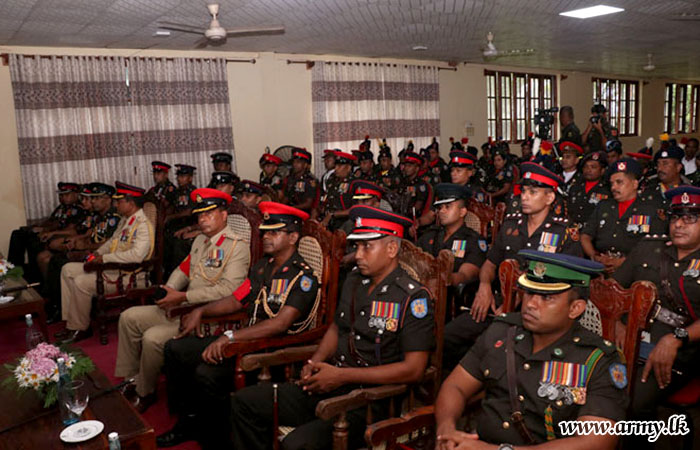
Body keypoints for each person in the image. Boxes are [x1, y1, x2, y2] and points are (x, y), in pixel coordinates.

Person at [229, 205, 434, 450]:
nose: (358, 255)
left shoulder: (413, 297)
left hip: (371, 400)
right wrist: (314, 362)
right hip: (332, 381)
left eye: (367, 246)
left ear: (391, 249)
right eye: (357, 246)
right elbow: (338, 328)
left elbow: (414, 370)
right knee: (244, 402)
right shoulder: (354, 280)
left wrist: (341, 376)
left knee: (297, 443)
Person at [157, 202, 318, 448]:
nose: (266, 237)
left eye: (274, 232)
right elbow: (236, 300)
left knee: (206, 373)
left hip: (270, 353)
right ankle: (189, 421)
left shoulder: (302, 276)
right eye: (265, 232)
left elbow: (280, 324)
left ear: (293, 237)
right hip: (245, 341)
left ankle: (217, 440)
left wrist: (231, 337)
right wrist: (201, 310)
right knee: (175, 349)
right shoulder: (262, 267)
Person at [436, 250, 627, 449]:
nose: (531, 304)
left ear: (575, 308)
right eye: (529, 292)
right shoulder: (502, 331)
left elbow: (596, 441)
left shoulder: (598, 359)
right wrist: (446, 429)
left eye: (547, 298)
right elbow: (455, 386)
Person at [115, 188, 250, 412]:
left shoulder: (237, 246)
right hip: (183, 307)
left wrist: (184, 296)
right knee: (129, 317)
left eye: (209, 213)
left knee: (152, 338)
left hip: (208, 317)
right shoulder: (200, 240)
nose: (203, 219)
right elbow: (183, 270)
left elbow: (229, 290)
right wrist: (169, 290)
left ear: (224, 214)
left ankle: (145, 392)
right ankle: (131, 379)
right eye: (200, 214)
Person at [451, 163, 579, 370]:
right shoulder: (511, 224)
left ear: (549, 198)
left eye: (532, 192)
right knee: (450, 335)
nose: (524, 197)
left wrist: (519, 299)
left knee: (493, 348)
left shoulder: (564, 233)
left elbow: (571, 285)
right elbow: (490, 263)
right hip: (498, 304)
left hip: (538, 312)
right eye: (523, 191)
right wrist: (484, 286)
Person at [613, 186, 700, 448]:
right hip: (629, 340)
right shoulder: (649, 248)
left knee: (634, 400)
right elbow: (612, 291)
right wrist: (616, 324)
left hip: (683, 350)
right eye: (676, 217)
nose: (679, 224)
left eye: (690, 218)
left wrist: (676, 338)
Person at [55, 182, 153, 344]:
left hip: (130, 275)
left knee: (81, 282)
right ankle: (71, 322)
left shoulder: (142, 225)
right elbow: (112, 241)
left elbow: (136, 256)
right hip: (114, 268)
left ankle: (80, 328)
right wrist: (98, 253)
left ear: (130, 203)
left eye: (119, 201)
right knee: (67, 269)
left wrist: (105, 259)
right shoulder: (125, 220)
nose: (116, 204)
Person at [40, 183, 121, 321]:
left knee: (58, 262)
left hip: (100, 256)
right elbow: (90, 233)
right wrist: (78, 240)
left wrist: (86, 247)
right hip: (90, 250)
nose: (92, 201)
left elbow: (110, 244)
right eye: (92, 198)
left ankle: (58, 307)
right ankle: (55, 304)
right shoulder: (99, 216)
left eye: (96, 198)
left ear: (108, 199)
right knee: (55, 260)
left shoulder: (114, 218)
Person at [581, 158, 666, 275]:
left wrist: (625, 262)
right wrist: (594, 256)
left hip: (635, 271)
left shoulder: (650, 209)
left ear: (635, 184)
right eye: (612, 183)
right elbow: (585, 235)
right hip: (601, 269)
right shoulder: (603, 206)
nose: (613, 187)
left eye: (619, 182)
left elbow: (656, 246)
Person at [7, 182, 84, 281]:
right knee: (18, 234)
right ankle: (13, 268)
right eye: (61, 195)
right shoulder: (62, 207)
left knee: (35, 242)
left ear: (76, 194)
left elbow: (71, 229)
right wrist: (41, 227)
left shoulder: (78, 209)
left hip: (61, 236)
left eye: (66, 194)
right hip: (53, 233)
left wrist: (48, 231)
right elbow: (52, 221)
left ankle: (33, 277)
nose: (63, 197)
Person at [566, 151, 610, 227]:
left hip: (596, 230)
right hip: (573, 229)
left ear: (602, 171)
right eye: (586, 167)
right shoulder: (575, 187)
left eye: (593, 167)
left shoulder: (607, 189)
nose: (588, 170)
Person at [321, 151, 356, 230]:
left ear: (348, 168)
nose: (336, 168)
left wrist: (333, 214)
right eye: (335, 165)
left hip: (345, 222)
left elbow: (355, 208)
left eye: (339, 166)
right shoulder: (331, 180)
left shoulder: (354, 183)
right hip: (329, 221)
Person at [397, 152, 431, 223]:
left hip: (414, 220)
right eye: (405, 165)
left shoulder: (421, 185)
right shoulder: (403, 182)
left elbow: (418, 207)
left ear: (417, 168)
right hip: (400, 217)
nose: (406, 168)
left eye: (409, 166)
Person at [282, 148, 318, 214]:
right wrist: (281, 208)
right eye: (294, 162)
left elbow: (308, 204)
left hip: (303, 213)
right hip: (290, 211)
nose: (295, 164)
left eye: (298, 162)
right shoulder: (290, 178)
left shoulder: (310, 180)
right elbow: (286, 197)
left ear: (305, 165)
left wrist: (292, 208)